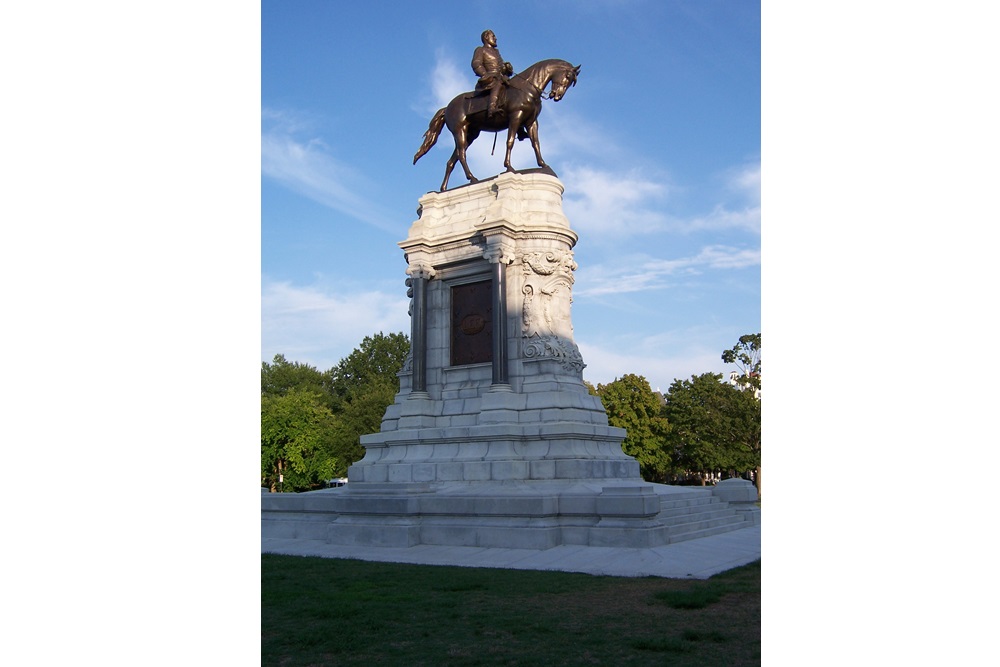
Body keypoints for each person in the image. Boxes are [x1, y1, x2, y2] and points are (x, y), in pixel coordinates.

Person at [471, 29, 512, 118]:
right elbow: (476, 64)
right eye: (493, 36)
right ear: (486, 37)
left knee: (513, 88)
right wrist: (485, 74)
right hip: (489, 78)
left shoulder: (496, 52)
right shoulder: (480, 50)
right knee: (497, 84)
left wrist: (507, 68)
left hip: (500, 77)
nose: (495, 38)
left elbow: (501, 66)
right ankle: (491, 109)